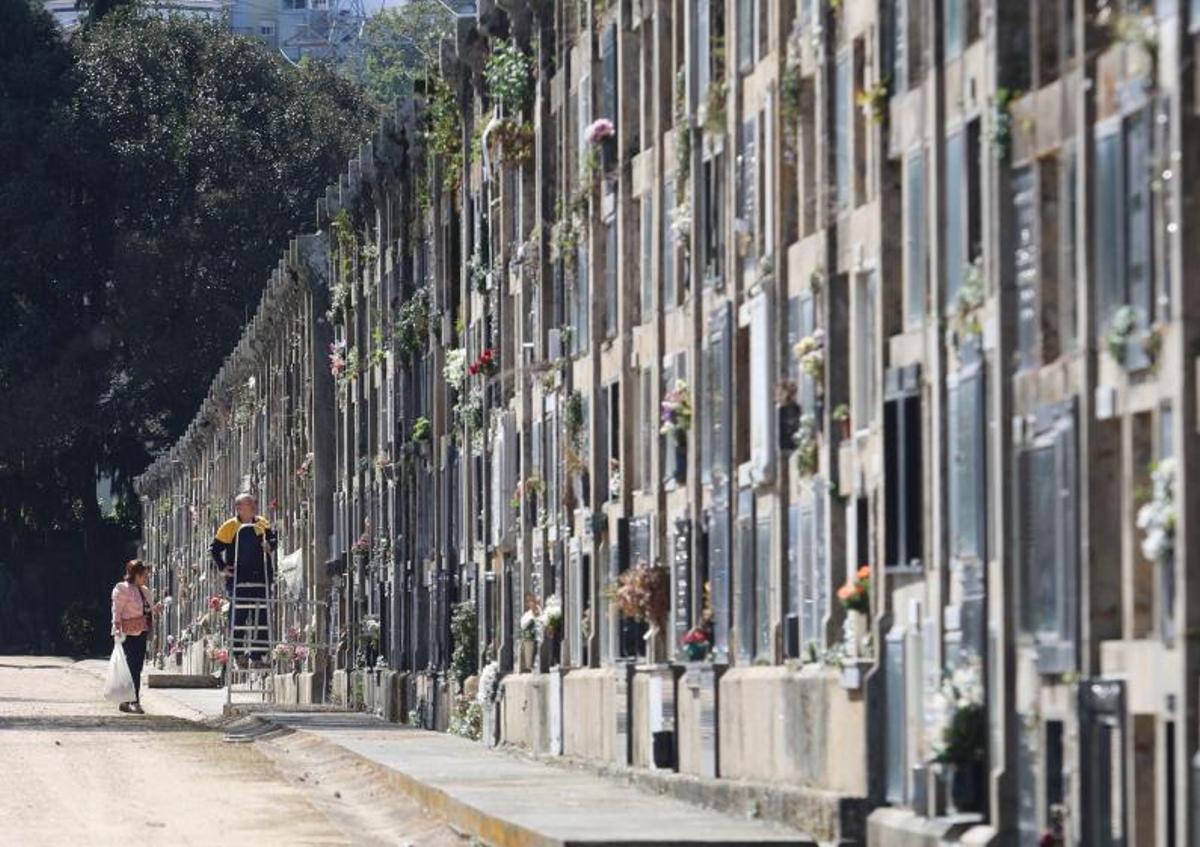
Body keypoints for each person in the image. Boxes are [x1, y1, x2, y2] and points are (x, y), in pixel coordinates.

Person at [210, 493, 277, 663]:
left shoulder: (262, 523)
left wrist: (269, 545)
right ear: (239, 508)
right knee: (239, 614)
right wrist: (223, 567)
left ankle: (258, 654)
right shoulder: (230, 527)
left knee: (262, 616)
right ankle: (238, 653)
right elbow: (214, 549)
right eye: (250, 504)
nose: (254, 506)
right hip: (238, 578)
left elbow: (273, 539)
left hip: (261, 577)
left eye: (254, 503)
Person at [110, 559, 161, 714]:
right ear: (135, 575)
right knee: (131, 667)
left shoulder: (144, 590)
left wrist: (155, 609)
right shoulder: (122, 589)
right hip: (128, 634)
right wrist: (116, 628)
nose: (145, 578)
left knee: (137, 667)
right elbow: (117, 610)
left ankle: (127, 701)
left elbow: (147, 609)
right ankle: (133, 701)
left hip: (141, 632)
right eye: (143, 575)